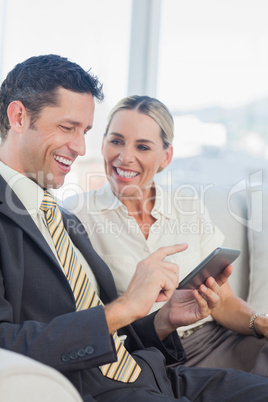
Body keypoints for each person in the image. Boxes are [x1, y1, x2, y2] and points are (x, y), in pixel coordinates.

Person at [1, 56, 268, 402]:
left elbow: (112, 330)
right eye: (68, 128)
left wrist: (165, 318)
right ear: (19, 116)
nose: (81, 149)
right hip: (97, 388)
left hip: (151, 373)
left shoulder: (62, 220)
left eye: (85, 132)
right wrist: (124, 306)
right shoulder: (60, 212)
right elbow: (7, 345)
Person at [64, 95, 268, 378]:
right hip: (149, 355)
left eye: (143, 146)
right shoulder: (76, 217)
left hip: (217, 340)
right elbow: (86, 323)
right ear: (102, 144)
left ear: (166, 157)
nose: (125, 157)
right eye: (116, 141)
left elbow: (222, 300)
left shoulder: (188, 207)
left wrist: (260, 323)